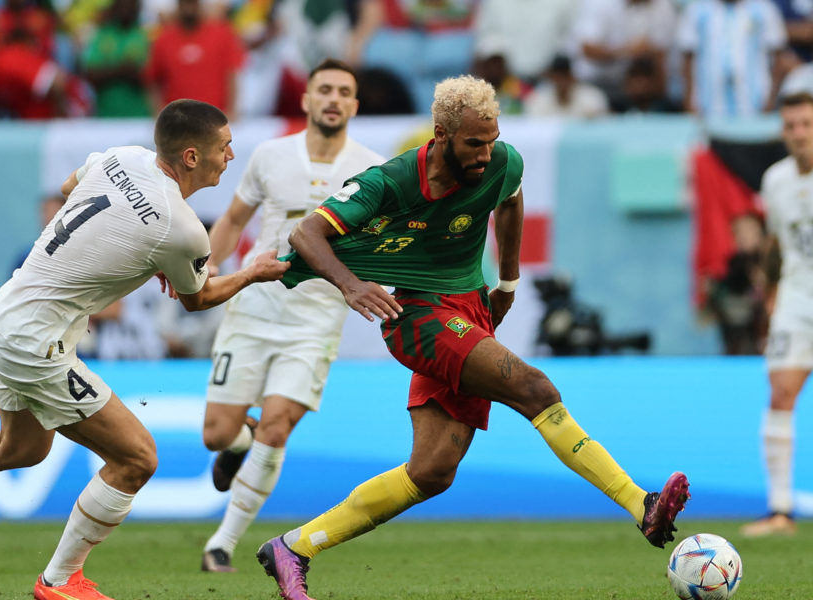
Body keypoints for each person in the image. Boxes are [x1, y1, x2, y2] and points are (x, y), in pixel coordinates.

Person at [254, 75, 691, 600]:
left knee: (433, 471)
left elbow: (509, 199)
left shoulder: (502, 161)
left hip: (469, 309)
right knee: (536, 390)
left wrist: (507, 282)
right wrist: (351, 286)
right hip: (416, 314)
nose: (486, 154)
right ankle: (640, 504)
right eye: (473, 143)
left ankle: (293, 547)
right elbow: (306, 233)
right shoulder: (390, 180)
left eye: (491, 139)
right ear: (440, 134)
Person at [0, 99, 290, 600]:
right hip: (37, 341)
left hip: (8, 309)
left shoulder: (122, 156)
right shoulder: (181, 228)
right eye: (223, 148)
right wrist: (252, 271)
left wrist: (129, 247)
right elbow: (199, 298)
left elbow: (70, 188)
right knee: (137, 458)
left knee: (21, 448)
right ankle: (59, 581)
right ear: (190, 157)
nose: (229, 157)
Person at [197, 58, 384, 573]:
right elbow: (235, 219)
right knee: (216, 434)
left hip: (317, 316)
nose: (332, 99)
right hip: (255, 307)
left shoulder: (371, 167)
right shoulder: (270, 155)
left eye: (343, 92)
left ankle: (222, 544)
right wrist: (206, 268)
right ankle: (240, 439)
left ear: (354, 105)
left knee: (279, 426)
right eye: (324, 89)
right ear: (305, 99)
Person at [741, 91, 813, 537]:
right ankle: (780, 509)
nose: (799, 134)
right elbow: (776, 245)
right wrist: (768, 296)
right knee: (781, 392)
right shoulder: (776, 180)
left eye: (806, 124)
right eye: (791, 126)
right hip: (797, 300)